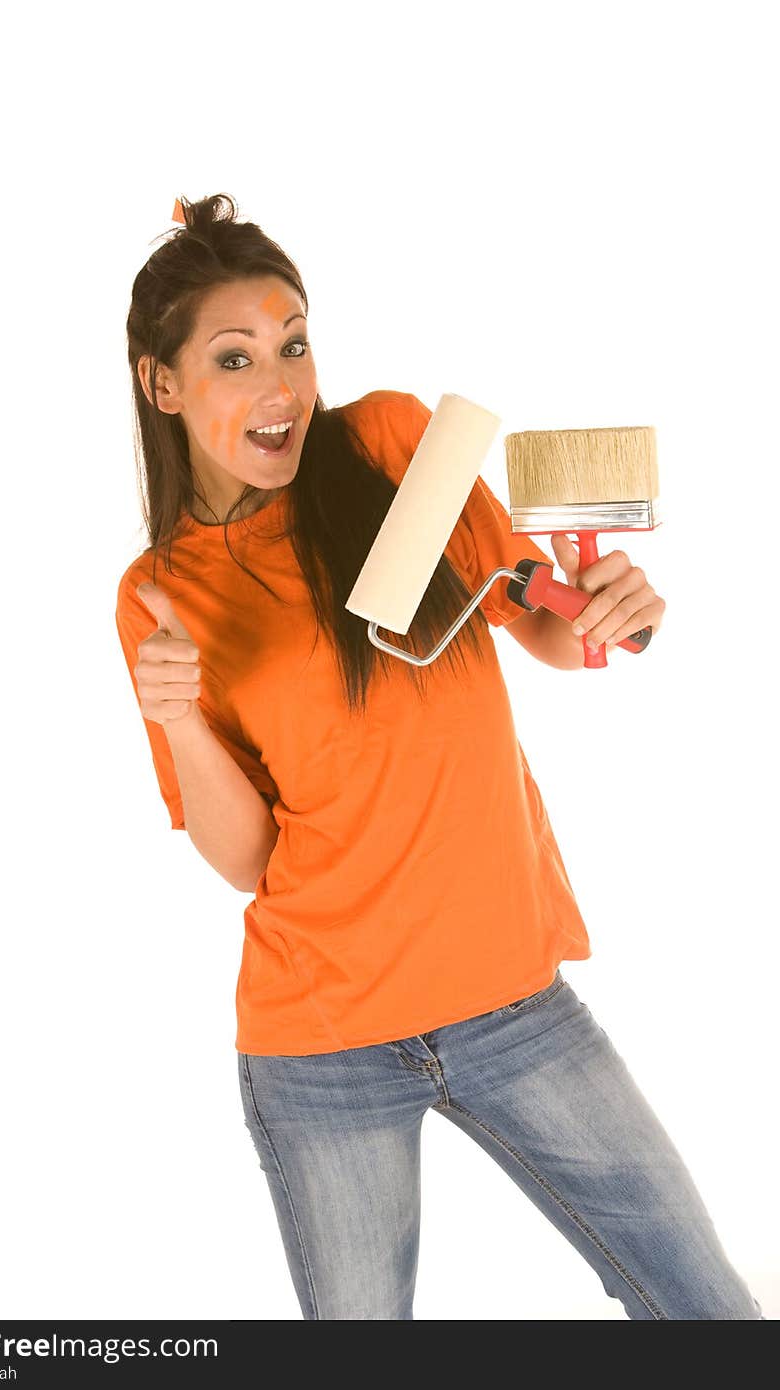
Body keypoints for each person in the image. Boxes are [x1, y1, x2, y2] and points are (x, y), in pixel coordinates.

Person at [114, 192, 764, 1321]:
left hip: (513, 1000)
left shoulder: (389, 445)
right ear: (160, 381)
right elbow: (245, 856)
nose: (281, 387)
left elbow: (544, 621)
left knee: (710, 1313)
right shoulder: (162, 594)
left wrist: (617, 610)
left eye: (294, 344)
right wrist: (174, 716)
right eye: (234, 358)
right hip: (321, 1044)